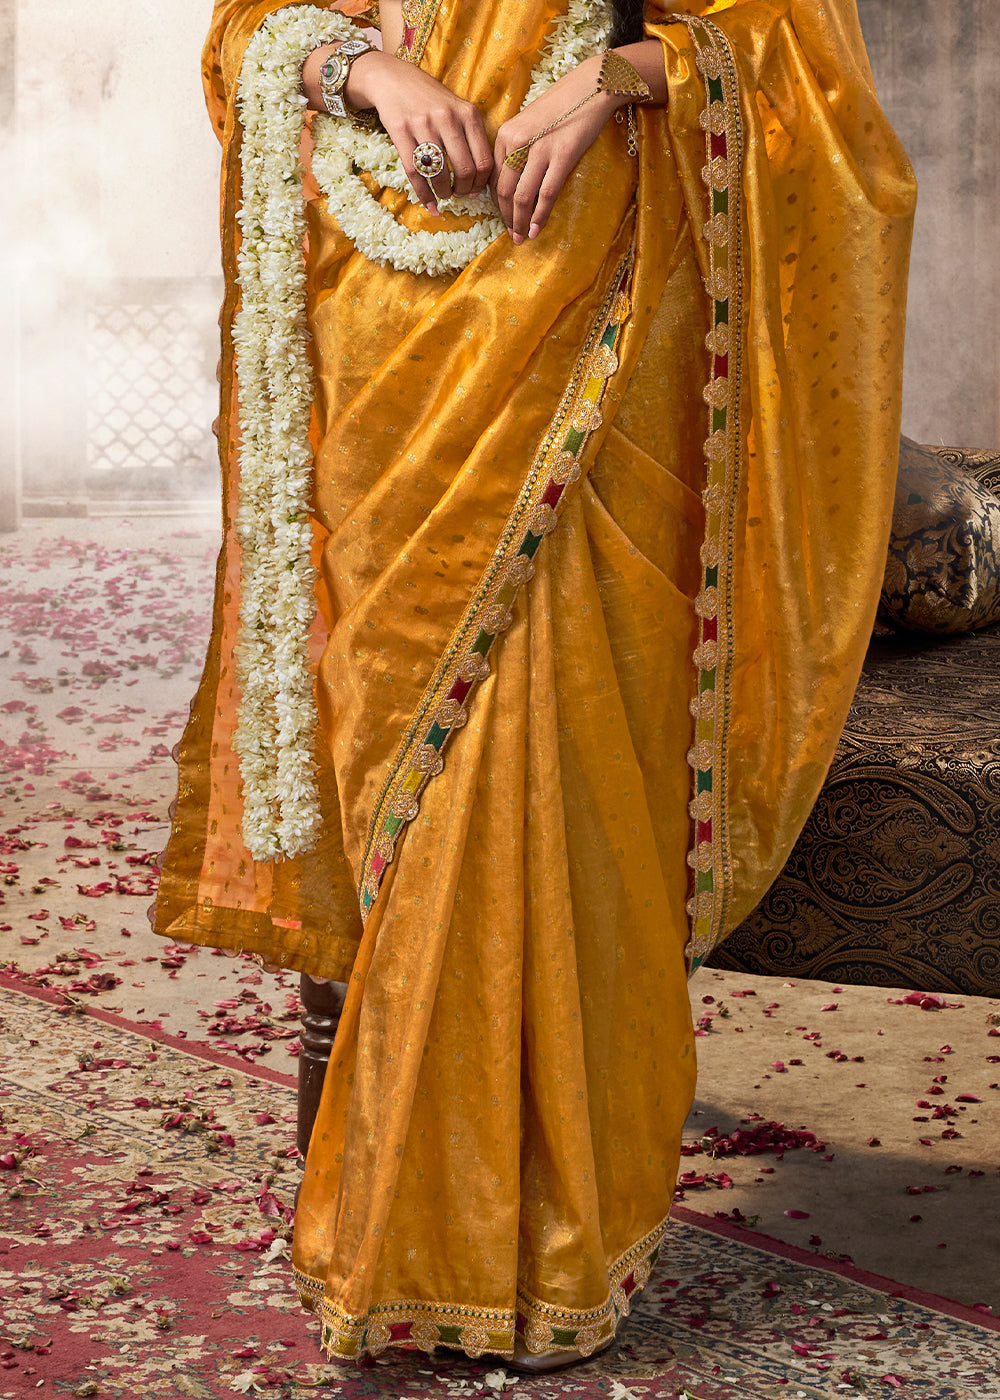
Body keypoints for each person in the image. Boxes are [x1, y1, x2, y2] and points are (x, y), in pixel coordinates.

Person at [154, 0, 915, 1372]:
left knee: (530, 755)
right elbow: (253, 28)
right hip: (375, 324)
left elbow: (797, 51)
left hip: (582, 302)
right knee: (393, 770)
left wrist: (621, 78)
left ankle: (519, 1230)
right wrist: (370, 68)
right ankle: (415, 1207)